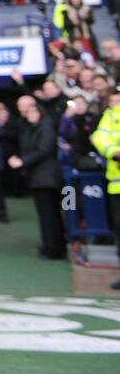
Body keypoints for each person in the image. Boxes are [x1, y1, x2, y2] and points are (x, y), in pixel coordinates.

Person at [8, 96, 66, 259]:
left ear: (40, 112)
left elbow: (44, 150)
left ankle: (53, 248)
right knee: (48, 214)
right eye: (29, 112)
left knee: (50, 214)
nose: (30, 114)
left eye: (34, 111)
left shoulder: (45, 127)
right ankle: (52, 245)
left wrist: (22, 161)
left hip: (46, 178)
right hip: (40, 177)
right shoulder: (33, 128)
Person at [88, 88, 120, 289]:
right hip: (116, 184)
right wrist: (115, 153)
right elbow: (100, 138)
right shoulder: (108, 117)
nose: (116, 101)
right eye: (113, 98)